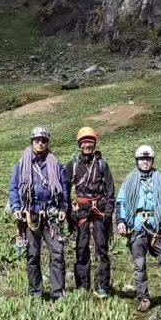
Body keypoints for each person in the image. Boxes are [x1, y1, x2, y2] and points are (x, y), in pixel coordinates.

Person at [8, 126, 70, 300]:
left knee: (57, 253)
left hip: (51, 214)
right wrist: (16, 208)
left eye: (44, 140)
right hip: (30, 214)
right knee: (33, 255)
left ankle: (58, 293)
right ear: (32, 142)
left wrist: (64, 208)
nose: (40, 143)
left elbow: (64, 188)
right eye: (37, 140)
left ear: (48, 142)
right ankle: (36, 293)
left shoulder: (56, 164)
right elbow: (14, 188)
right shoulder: (21, 164)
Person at [116, 144, 161, 312]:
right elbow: (121, 202)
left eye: (148, 159)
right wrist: (121, 221)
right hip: (137, 226)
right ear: (137, 161)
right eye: (142, 159)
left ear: (152, 160)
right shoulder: (129, 180)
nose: (145, 162)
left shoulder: (160, 179)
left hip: (158, 226)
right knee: (140, 264)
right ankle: (143, 297)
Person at [66, 126, 116, 299]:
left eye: (90, 142)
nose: (87, 145)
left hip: (100, 212)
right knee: (81, 249)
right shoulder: (73, 165)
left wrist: (108, 213)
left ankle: (102, 286)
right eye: (84, 142)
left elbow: (110, 191)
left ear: (94, 144)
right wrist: (69, 213)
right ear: (80, 144)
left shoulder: (102, 165)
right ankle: (82, 286)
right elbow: (65, 190)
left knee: (102, 250)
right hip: (81, 213)